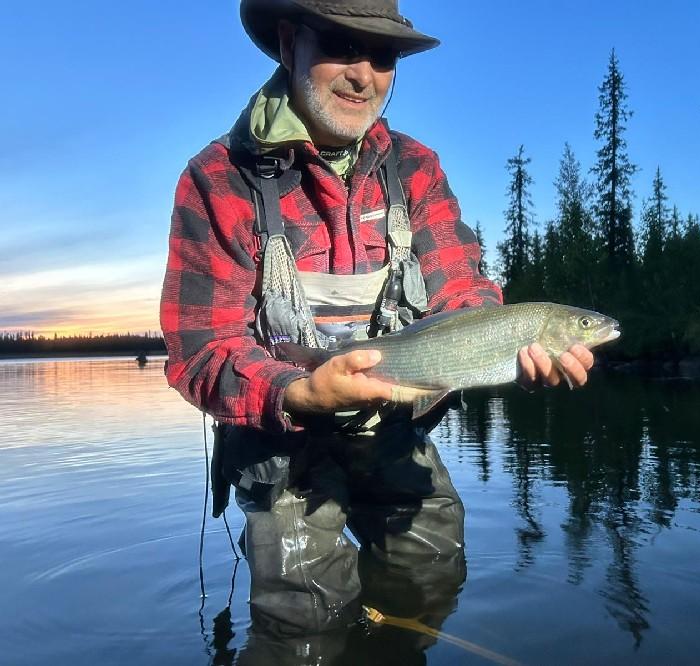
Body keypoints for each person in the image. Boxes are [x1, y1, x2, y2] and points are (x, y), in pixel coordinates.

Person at [161, 0, 595, 638]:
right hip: (280, 443)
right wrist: (299, 391)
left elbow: (463, 291)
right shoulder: (219, 180)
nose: (363, 75)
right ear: (290, 43)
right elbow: (201, 349)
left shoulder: (415, 168)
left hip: (392, 430)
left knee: (431, 583)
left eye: (383, 54)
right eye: (341, 45)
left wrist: (507, 351)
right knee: (304, 623)